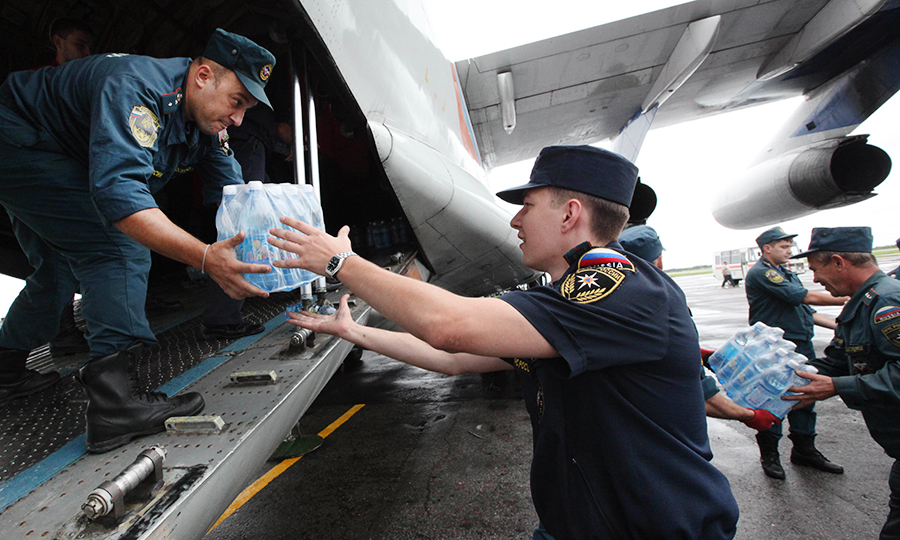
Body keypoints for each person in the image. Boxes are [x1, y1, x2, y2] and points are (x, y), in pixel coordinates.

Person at [272, 146, 739, 539]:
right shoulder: (567, 299)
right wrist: (354, 332)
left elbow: (448, 324)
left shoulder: (618, 289)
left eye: (527, 206)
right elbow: (453, 358)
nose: (515, 220)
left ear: (570, 214)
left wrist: (342, 264)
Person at [0, 28, 274, 453]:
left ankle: (5, 369)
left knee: (57, 269)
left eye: (247, 109)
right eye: (237, 102)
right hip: (19, 141)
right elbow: (121, 199)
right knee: (116, 246)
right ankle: (116, 405)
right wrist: (206, 258)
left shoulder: (205, 118)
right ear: (203, 76)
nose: (238, 120)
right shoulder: (137, 90)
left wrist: (278, 241)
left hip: (49, 150)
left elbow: (235, 191)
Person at [784, 226, 900, 540]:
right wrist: (785, 379)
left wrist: (837, 387)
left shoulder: (888, 303)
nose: (815, 280)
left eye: (815, 270)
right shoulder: (860, 305)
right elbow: (836, 361)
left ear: (838, 262)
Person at [620, 225, 779, 432]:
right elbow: (699, 393)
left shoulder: (619, 300)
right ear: (659, 261)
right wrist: (751, 416)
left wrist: (700, 354)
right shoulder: (662, 302)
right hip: (662, 427)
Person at [744, 226, 848, 479]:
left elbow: (808, 312)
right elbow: (803, 297)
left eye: (790, 246)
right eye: (784, 246)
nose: (789, 250)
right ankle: (770, 454)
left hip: (800, 344)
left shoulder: (787, 274)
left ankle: (804, 450)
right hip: (775, 348)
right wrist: (847, 296)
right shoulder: (763, 273)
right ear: (767, 248)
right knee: (774, 398)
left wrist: (840, 326)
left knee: (805, 395)